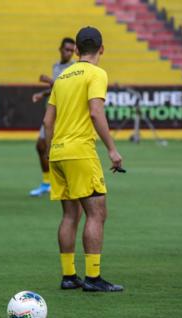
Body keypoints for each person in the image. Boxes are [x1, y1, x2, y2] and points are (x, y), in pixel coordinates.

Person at [43, 26, 124, 292]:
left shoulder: (63, 76)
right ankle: (93, 278)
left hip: (58, 152)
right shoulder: (97, 73)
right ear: (102, 49)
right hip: (80, 152)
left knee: (70, 215)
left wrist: (55, 148)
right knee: (97, 212)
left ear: (76, 50)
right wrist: (112, 149)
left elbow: (47, 121)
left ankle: (69, 276)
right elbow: (95, 113)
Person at [30, 37, 76, 197]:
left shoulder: (74, 68)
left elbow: (65, 87)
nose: (69, 53)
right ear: (60, 49)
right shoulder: (56, 66)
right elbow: (56, 89)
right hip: (52, 111)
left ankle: (65, 183)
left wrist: (49, 80)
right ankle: (46, 183)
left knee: (60, 149)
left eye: (72, 50)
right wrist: (41, 94)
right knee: (41, 146)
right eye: (67, 49)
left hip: (64, 114)